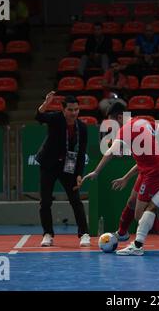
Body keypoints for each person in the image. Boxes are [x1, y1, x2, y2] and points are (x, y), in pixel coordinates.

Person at [80, 101, 159, 254]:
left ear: (119, 117)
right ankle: (122, 233)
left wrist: (96, 172)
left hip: (155, 173)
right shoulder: (144, 121)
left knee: (140, 214)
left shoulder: (125, 129)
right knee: (132, 202)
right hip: (147, 171)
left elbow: (110, 151)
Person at [35, 92, 90, 247]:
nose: (74, 113)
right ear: (63, 109)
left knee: (75, 200)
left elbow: (81, 153)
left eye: (76, 110)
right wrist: (46, 104)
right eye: (70, 110)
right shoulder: (55, 119)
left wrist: (79, 173)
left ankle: (84, 234)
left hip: (69, 164)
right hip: (48, 164)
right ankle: (47, 234)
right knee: (45, 201)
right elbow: (39, 117)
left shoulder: (82, 128)